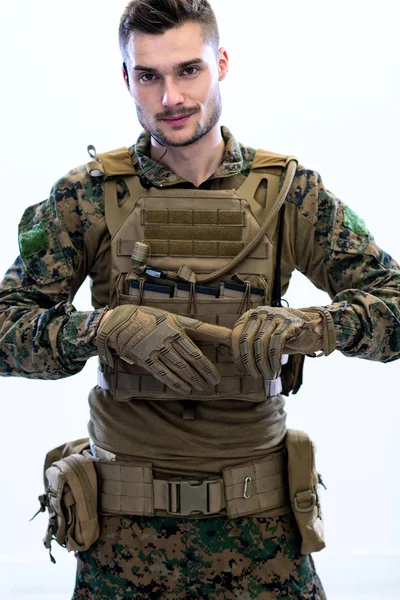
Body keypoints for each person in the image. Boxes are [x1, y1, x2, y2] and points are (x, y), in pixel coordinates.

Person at [0, 0, 399, 598]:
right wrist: (103, 328)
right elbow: (7, 330)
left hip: (262, 533)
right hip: (121, 541)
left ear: (222, 63)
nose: (170, 98)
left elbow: (392, 305)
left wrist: (314, 326)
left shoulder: (291, 194)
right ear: (126, 78)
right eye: (149, 76)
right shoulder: (82, 198)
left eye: (189, 70)